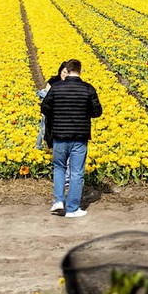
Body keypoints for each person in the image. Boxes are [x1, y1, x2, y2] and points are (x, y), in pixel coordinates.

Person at [40, 59, 102, 218]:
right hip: (79, 137)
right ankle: (73, 208)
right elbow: (97, 112)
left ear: (67, 70)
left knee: (59, 168)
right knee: (76, 172)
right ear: (79, 70)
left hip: (59, 136)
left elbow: (45, 107)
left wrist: (59, 114)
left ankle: (58, 202)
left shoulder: (56, 88)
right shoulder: (88, 89)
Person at [36, 61, 70, 150]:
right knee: (44, 129)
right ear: (60, 71)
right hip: (50, 110)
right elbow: (46, 96)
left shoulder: (71, 84)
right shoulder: (53, 80)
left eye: (68, 73)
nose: (65, 75)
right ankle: (39, 147)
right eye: (64, 72)